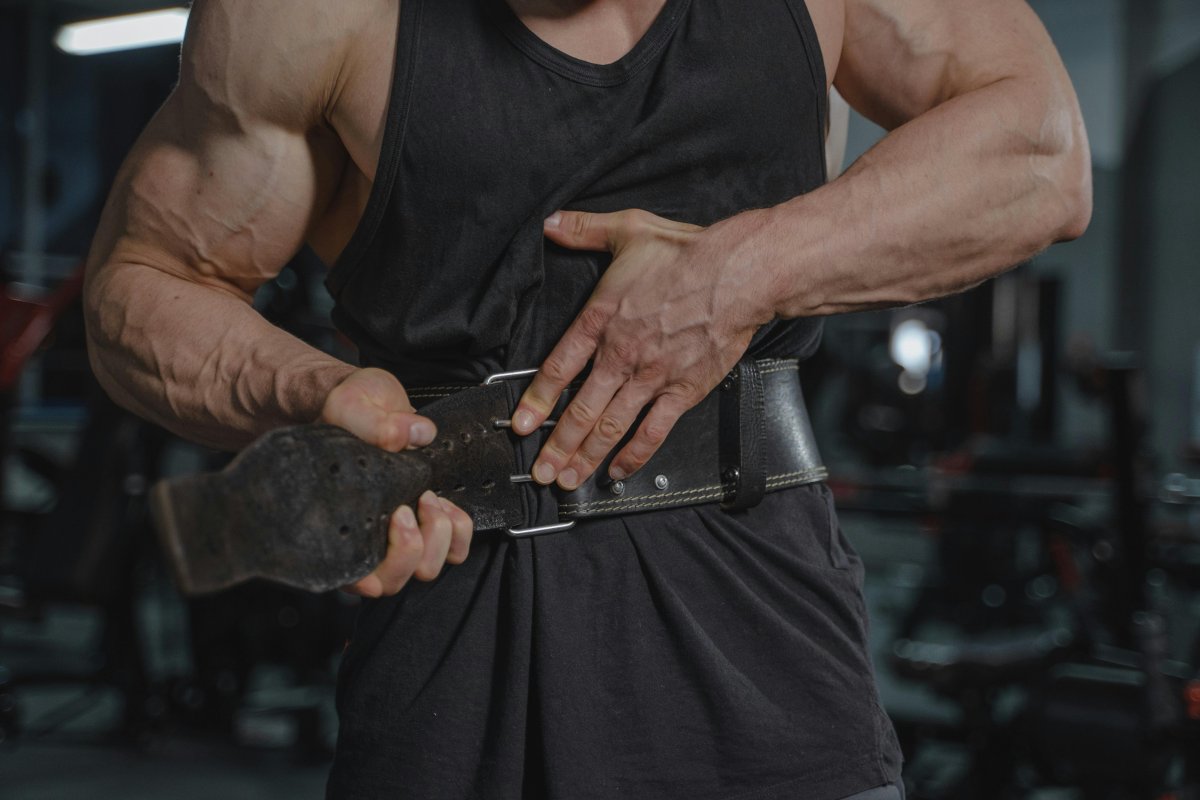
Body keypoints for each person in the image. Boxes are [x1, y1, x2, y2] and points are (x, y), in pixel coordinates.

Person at [82, 0, 1091, 797]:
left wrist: (742, 276)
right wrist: (318, 392)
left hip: (770, 642)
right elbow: (144, 283)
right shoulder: (311, 15)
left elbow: (1040, 153)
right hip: (458, 668)